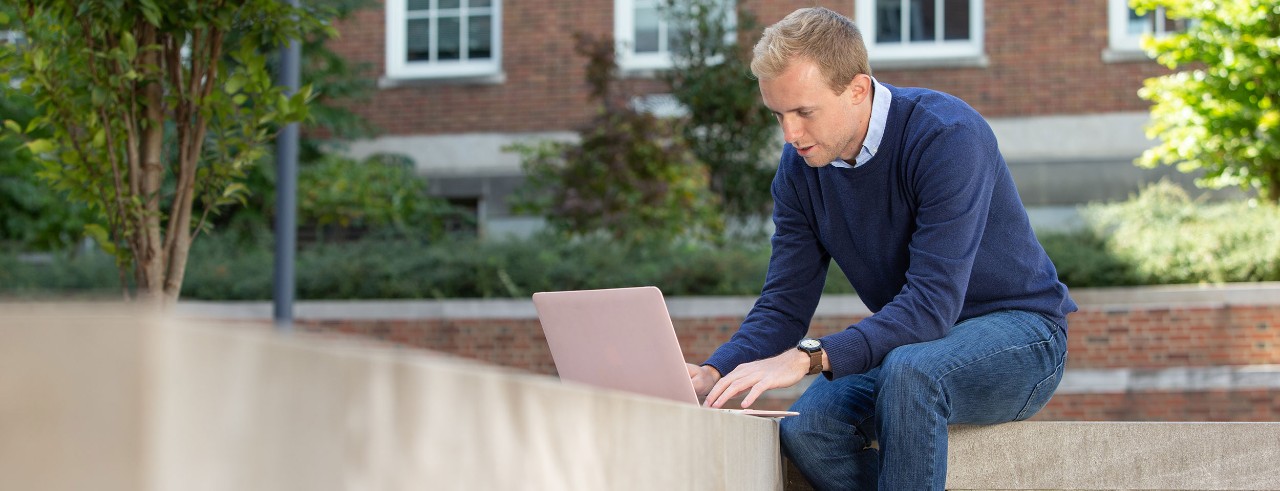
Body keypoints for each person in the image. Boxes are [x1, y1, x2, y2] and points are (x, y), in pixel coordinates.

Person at [685, 7, 1077, 490]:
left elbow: (932, 305)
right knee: (808, 427)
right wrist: (713, 370)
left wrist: (809, 356)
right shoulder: (799, 170)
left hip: (1022, 337)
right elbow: (784, 304)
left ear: (857, 89)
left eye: (804, 112)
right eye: (779, 114)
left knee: (913, 372)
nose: (790, 135)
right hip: (912, 348)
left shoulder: (946, 137)